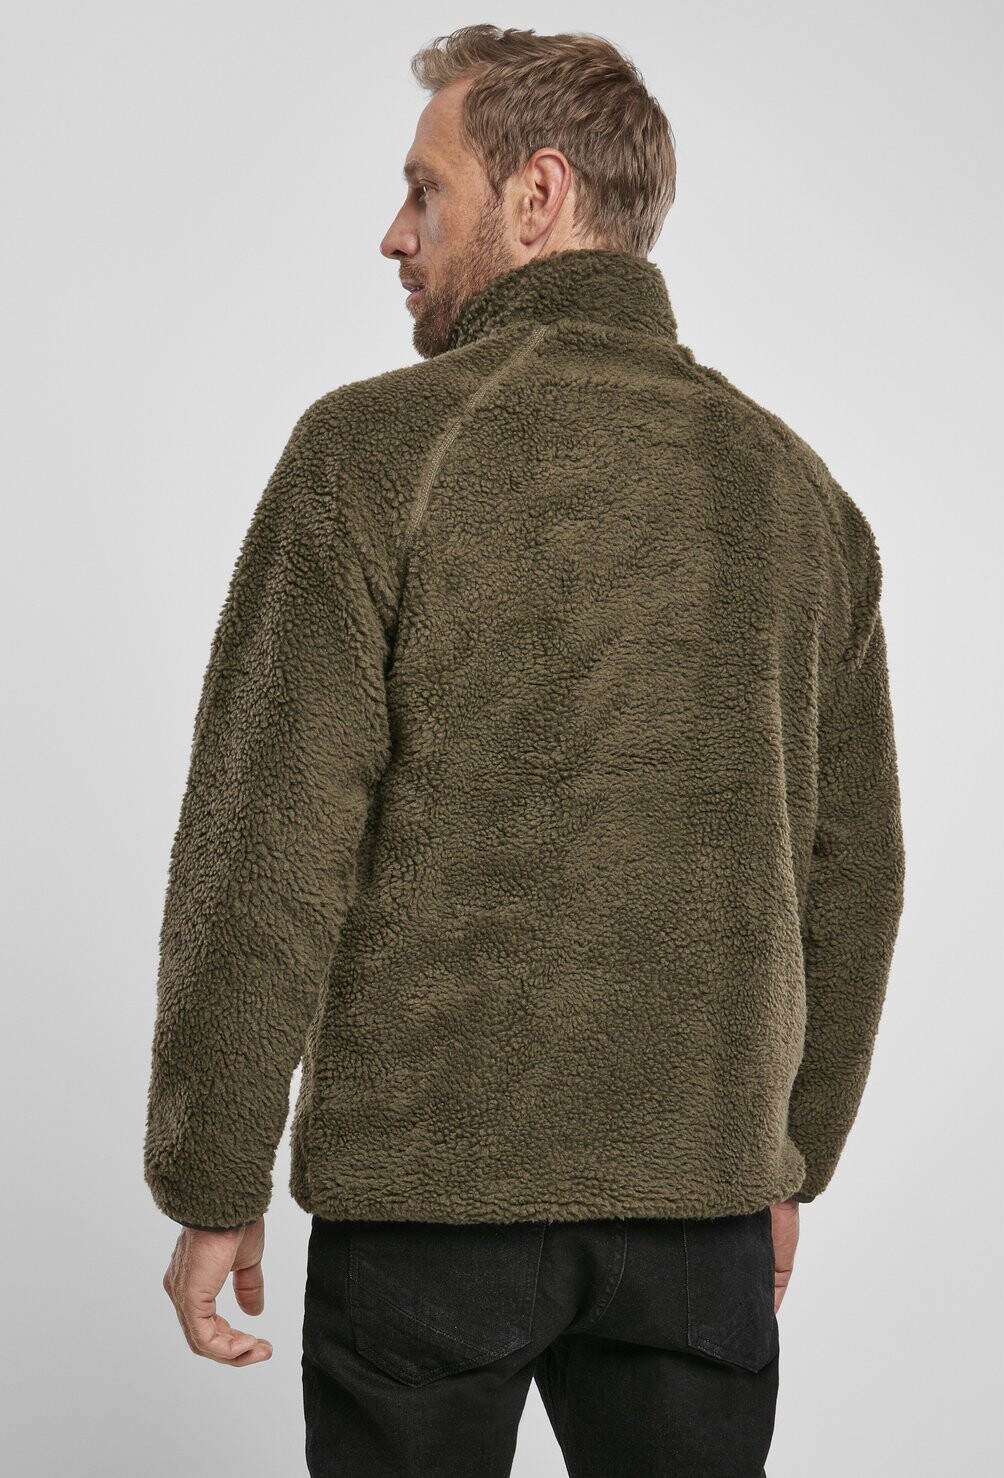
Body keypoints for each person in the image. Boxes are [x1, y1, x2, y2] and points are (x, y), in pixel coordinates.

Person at [144, 23, 906, 1477]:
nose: (394, 233)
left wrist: (213, 1171)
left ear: (538, 195)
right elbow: (856, 869)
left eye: (424, 190)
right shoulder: (800, 492)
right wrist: (787, 1159)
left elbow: (266, 844)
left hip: (429, 1214)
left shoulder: (370, 454)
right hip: (700, 1215)